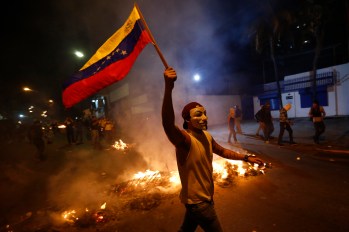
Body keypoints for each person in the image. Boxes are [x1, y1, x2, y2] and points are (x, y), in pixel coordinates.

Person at [162, 67, 264, 232]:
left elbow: (223, 151)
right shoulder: (185, 140)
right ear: (187, 120)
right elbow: (167, 124)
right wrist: (168, 88)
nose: (204, 118)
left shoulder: (207, 136)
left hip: (199, 201)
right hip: (200, 204)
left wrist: (246, 158)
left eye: (204, 113)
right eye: (198, 115)